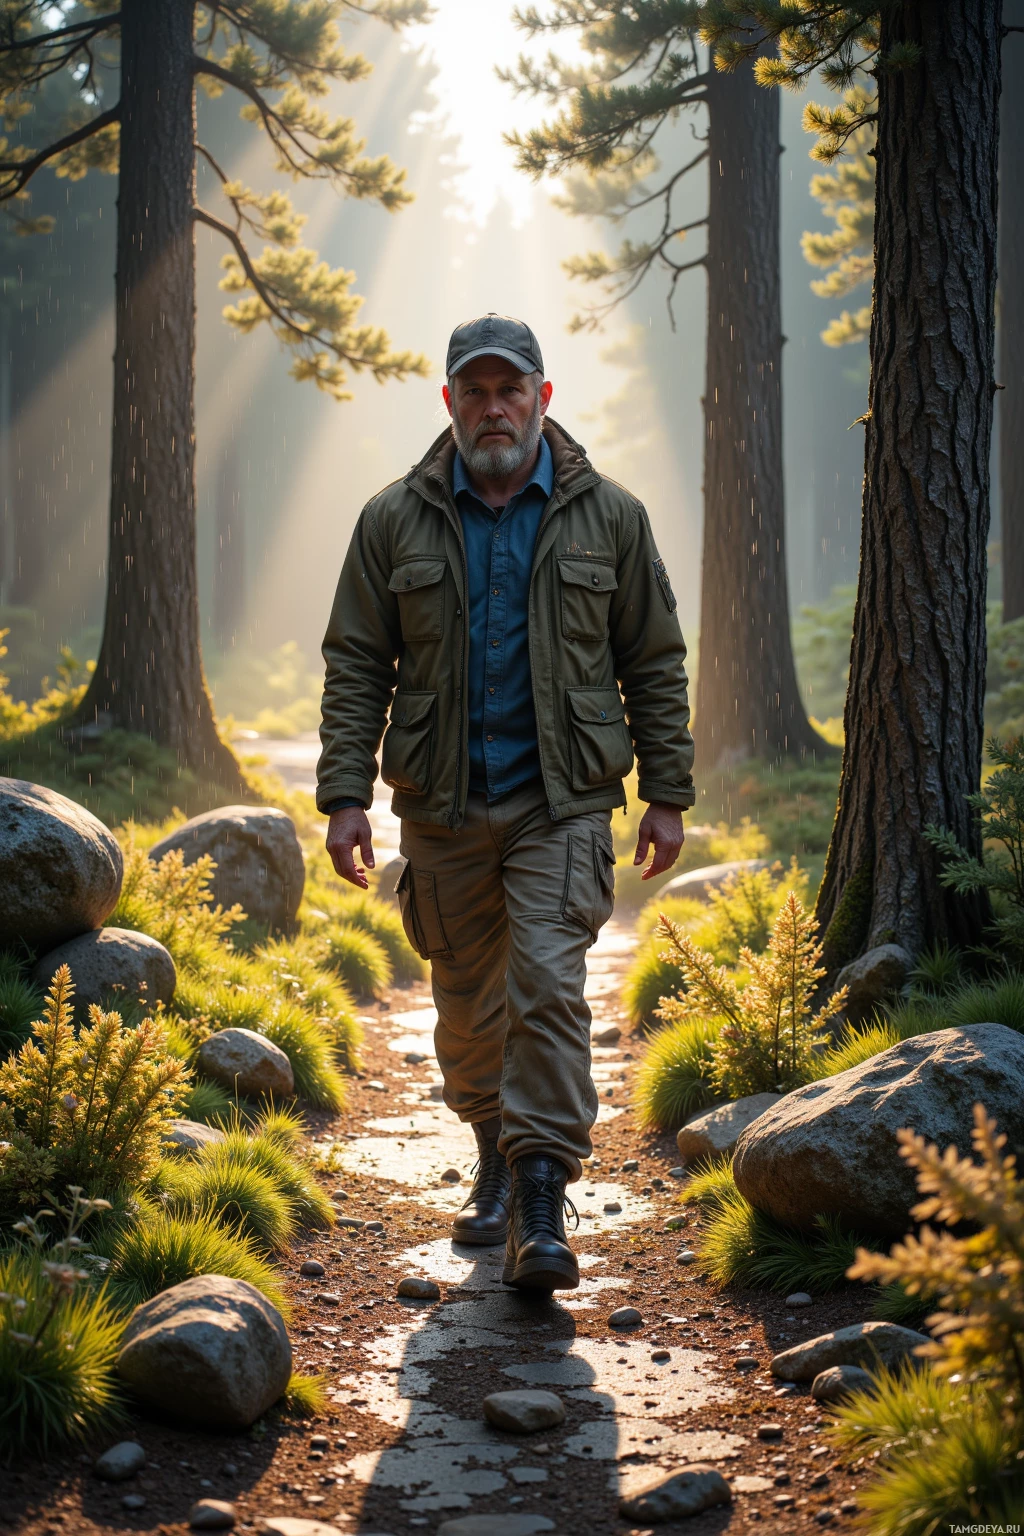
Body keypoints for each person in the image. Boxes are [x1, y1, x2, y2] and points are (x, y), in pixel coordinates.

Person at [317, 313, 694, 1292]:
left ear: (542, 398)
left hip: (559, 807)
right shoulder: (391, 519)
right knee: (469, 1014)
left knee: (545, 989)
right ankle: (492, 1151)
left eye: (510, 389)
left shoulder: (609, 515)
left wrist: (666, 792)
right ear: (449, 404)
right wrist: (344, 795)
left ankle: (538, 1195)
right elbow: (357, 663)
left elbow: (651, 659)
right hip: (439, 809)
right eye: (474, 391)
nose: (494, 407)